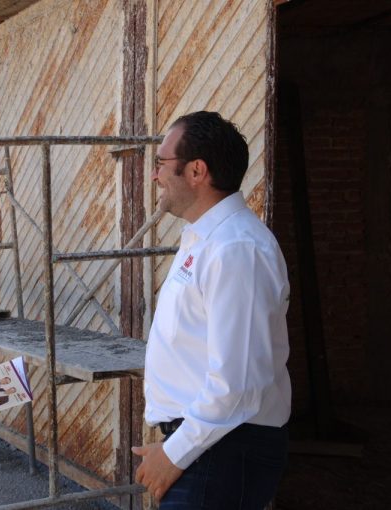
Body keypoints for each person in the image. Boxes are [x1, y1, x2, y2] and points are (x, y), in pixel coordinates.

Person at [132, 111, 291, 508]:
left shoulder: (236, 248)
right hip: (209, 444)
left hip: (222, 449)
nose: (155, 176)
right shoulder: (209, 238)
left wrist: (174, 453)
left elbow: (236, 384)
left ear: (197, 170)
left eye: (161, 164)